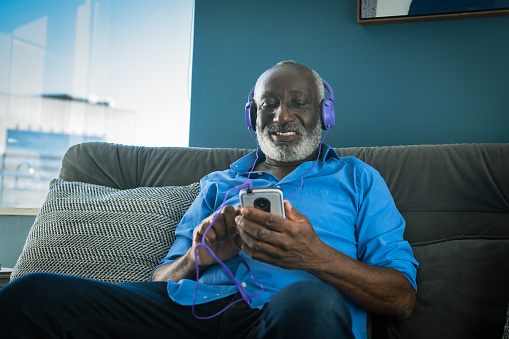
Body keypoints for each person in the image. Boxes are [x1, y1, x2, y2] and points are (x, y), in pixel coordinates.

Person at [0, 61, 418, 339]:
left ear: (324, 116)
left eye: (297, 104)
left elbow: (401, 298)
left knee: (312, 303)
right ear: (251, 117)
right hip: (194, 315)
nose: (281, 116)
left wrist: (314, 257)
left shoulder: (359, 179)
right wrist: (195, 259)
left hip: (291, 318)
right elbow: (160, 281)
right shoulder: (218, 184)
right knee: (30, 295)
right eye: (267, 105)